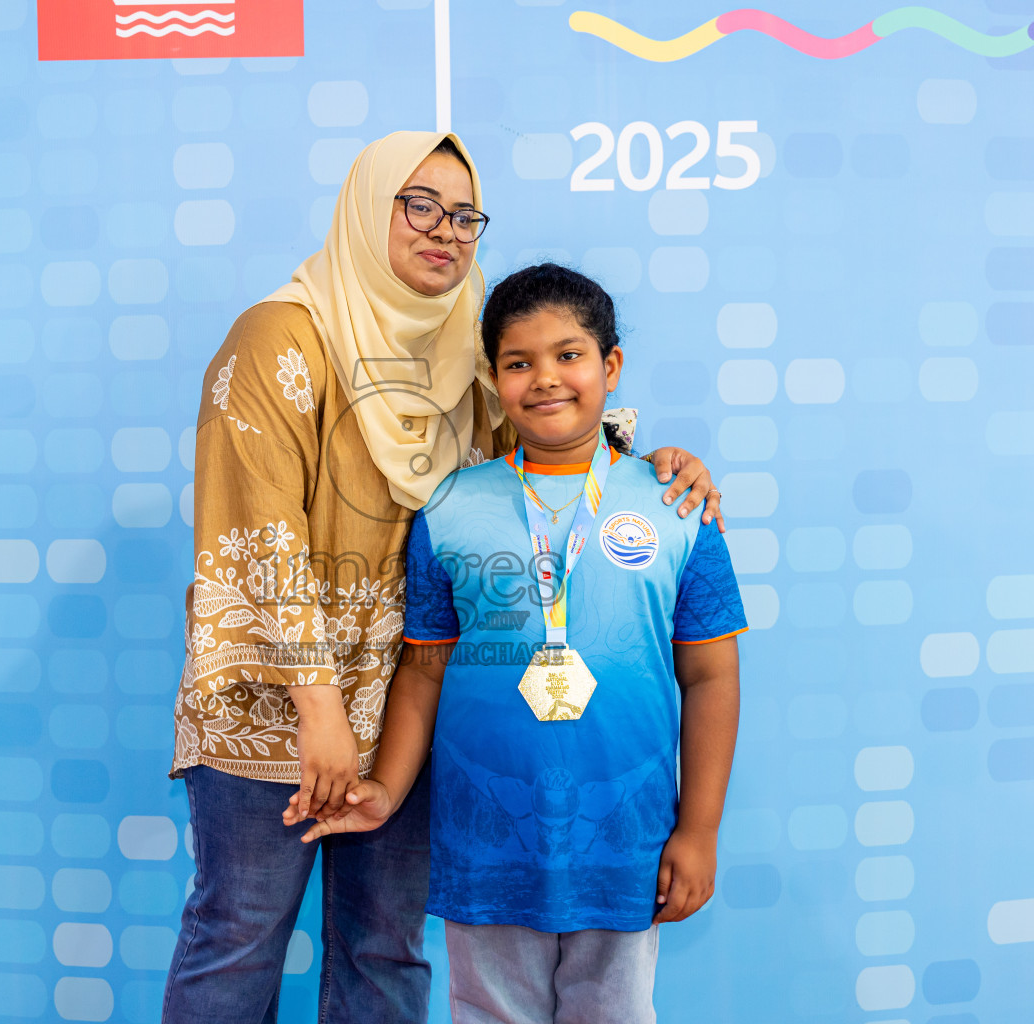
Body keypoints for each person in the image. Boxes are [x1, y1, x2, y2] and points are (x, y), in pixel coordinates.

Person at [163, 134, 725, 1024]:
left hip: (412, 709)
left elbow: (537, 443)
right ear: (366, 208)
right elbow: (254, 530)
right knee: (240, 930)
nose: (445, 231)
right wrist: (320, 710)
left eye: (464, 214)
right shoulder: (281, 337)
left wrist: (650, 463)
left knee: (386, 942)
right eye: (416, 204)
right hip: (275, 708)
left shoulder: (464, 345)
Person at [292, 263, 747, 1024]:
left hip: (626, 839)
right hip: (486, 841)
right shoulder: (451, 508)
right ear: (494, 377)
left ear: (611, 367)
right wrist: (390, 789)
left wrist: (698, 831)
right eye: (518, 362)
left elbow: (710, 676)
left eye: (569, 355)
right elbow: (425, 668)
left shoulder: (677, 505)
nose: (546, 379)